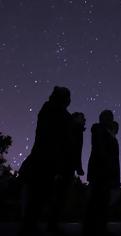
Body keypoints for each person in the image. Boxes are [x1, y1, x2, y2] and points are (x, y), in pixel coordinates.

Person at [18, 86, 72, 235]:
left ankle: (32, 225)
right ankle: (30, 226)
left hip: (46, 158)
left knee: (41, 195)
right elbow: (56, 137)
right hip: (46, 159)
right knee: (38, 195)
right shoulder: (52, 110)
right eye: (67, 98)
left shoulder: (52, 109)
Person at [47, 112, 86, 232]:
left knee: (62, 195)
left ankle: (54, 222)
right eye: (81, 118)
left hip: (68, 166)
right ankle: (52, 224)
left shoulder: (77, 129)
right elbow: (66, 148)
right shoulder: (71, 128)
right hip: (63, 166)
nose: (84, 120)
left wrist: (78, 167)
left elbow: (76, 150)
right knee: (59, 194)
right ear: (74, 118)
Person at [83, 110, 120, 236]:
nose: (111, 120)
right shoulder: (99, 129)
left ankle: (97, 226)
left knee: (101, 200)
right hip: (101, 170)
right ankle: (93, 227)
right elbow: (101, 150)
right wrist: (108, 168)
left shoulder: (109, 134)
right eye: (109, 118)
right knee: (97, 200)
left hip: (105, 171)